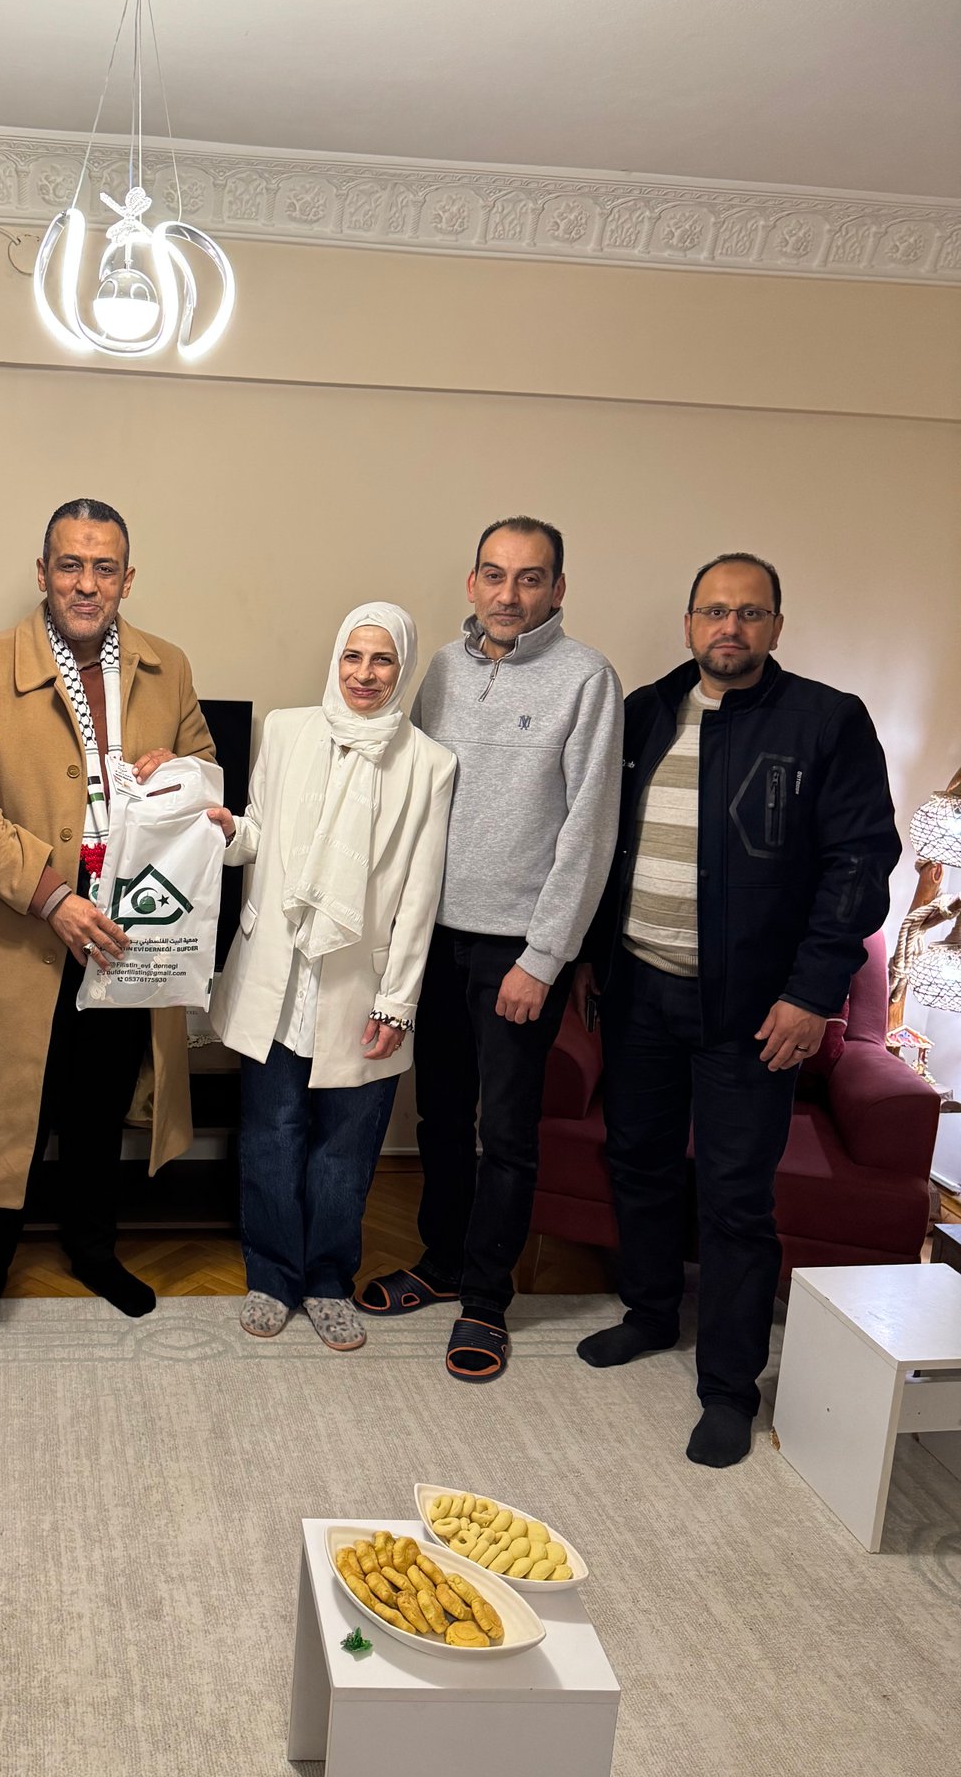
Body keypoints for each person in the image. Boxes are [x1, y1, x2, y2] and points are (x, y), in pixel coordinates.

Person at [574, 552, 900, 1466]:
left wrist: (812, 993)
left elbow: (858, 864)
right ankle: (649, 1312)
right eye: (714, 611)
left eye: (749, 612)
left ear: (776, 627)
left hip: (754, 1013)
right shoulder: (645, 711)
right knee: (638, 1161)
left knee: (735, 1198)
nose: (730, 627)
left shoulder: (827, 722)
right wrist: (595, 957)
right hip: (639, 990)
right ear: (689, 623)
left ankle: (727, 1385)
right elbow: (603, 842)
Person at [0, 497, 216, 1334]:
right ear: (43, 572)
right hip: (26, 925)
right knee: (10, 1105)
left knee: (99, 1104)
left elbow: (207, 771)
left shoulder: (168, 666)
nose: (86, 583)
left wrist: (179, 774)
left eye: (103, 567)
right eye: (69, 564)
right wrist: (53, 896)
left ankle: (93, 1250)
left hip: (128, 931)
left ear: (127, 578)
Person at [356, 516, 623, 1382]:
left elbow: (589, 831)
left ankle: (485, 1298)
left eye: (530, 577)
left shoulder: (587, 679)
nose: (510, 594)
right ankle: (440, 1262)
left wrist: (543, 958)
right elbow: (409, 787)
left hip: (516, 948)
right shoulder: (439, 667)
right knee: (437, 1116)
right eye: (495, 575)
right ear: (472, 583)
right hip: (432, 937)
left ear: (557, 589)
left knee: (504, 1131)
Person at [210, 604, 455, 1349]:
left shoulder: (429, 765)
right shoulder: (287, 730)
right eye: (353, 656)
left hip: (361, 989)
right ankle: (270, 1275)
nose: (365, 674)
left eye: (383, 660)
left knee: (345, 1150)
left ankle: (326, 1280)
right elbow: (258, 832)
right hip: (277, 976)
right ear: (336, 660)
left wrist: (398, 1003)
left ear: (403, 669)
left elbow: (419, 895)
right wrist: (221, 828)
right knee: (271, 1135)